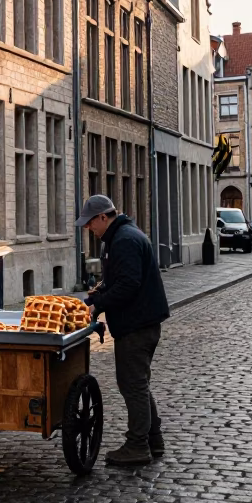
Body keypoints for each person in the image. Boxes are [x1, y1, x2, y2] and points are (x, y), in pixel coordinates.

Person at [77, 194, 169, 466]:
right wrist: (93, 299)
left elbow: (128, 285)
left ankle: (137, 445)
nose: (89, 229)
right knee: (138, 382)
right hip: (140, 322)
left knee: (132, 384)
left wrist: (97, 307)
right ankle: (153, 439)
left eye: (91, 223)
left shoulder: (125, 240)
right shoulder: (121, 237)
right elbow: (116, 280)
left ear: (104, 217)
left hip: (136, 325)